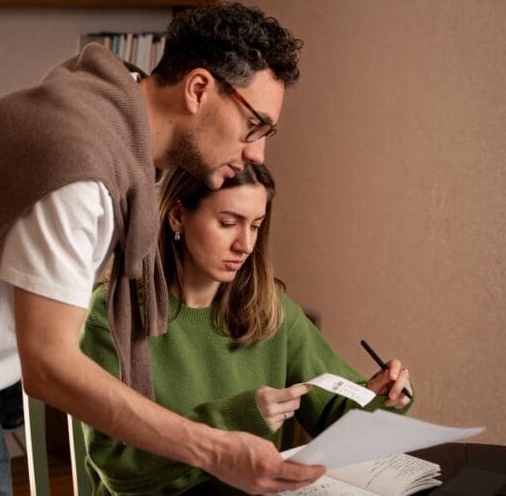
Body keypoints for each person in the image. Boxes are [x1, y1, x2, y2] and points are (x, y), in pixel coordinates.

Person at [0, 2, 326, 495]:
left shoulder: (101, 112)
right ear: (199, 89)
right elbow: (50, 367)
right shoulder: (81, 166)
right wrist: (214, 448)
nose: (257, 152)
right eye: (256, 125)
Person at [79, 164, 414, 494]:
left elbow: (334, 419)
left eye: (255, 226)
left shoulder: (270, 309)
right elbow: (117, 469)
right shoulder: (115, 316)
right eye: (228, 223)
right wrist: (237, 417)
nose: (245, 245)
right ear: (178, 216)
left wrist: (380, 396)